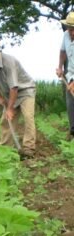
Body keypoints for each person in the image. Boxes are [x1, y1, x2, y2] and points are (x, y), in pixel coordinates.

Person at [0, 39, 36, 158]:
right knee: (6, 121)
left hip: (25, 90)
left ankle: (28, 149)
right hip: (9, 93)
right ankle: (4, 149)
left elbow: (14, 88)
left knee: (28, 117)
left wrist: (10, 109)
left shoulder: (8, 62)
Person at [56, 12, 74, 141]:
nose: (72, 33)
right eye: (70, 29)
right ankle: (73, 132)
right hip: (70, 75)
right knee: (70, 105)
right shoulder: (65, 36)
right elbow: (62, 51)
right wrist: (60, 67)